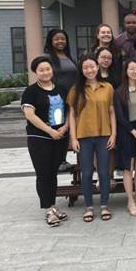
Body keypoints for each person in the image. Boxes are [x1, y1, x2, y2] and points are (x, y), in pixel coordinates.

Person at [68, 55, 117, 222]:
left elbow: (111, 111)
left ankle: (104, 205)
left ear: (97, 67)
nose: (90, 70)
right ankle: (89, 207)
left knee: (104, 172)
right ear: (81, 70)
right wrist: (73, 138)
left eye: (92, 66)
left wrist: (114, 134)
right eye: (86, 67)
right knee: (87, 172)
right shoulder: (76, 89)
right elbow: (72, 114)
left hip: (104, 135)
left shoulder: (108, 87)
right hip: (84, 136)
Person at [21, 56, 69, 227]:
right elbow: (30, 115)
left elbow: (69, 111)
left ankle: (53, 205)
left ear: (52, 70)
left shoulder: (61, 88)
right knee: (43, 173)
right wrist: (49, 131)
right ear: (36, 72)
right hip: (40, 138)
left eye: (47, 69)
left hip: (60, 137)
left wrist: (65, 128)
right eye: (41, 70)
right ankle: (48, 210)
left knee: (53, 173)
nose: (45, 72)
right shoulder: (31, 91)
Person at [114, 59, 136, 216]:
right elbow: (120, 117)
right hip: (127, 133)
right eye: (132, 69)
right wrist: (134, 132)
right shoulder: (119, 92)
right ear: (126, 71)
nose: (135, 72)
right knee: (128, 169)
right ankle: (130, 201)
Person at [44, 29, 77, 172]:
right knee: (59, 127)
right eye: (57, 39)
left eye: (63, 39)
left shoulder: (68, 56)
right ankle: (57, 160)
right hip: (57, 99)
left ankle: (64, 159)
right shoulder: (47, 57)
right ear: (50, 41)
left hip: (72, 97)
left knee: (69, 127)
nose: (60, 41)